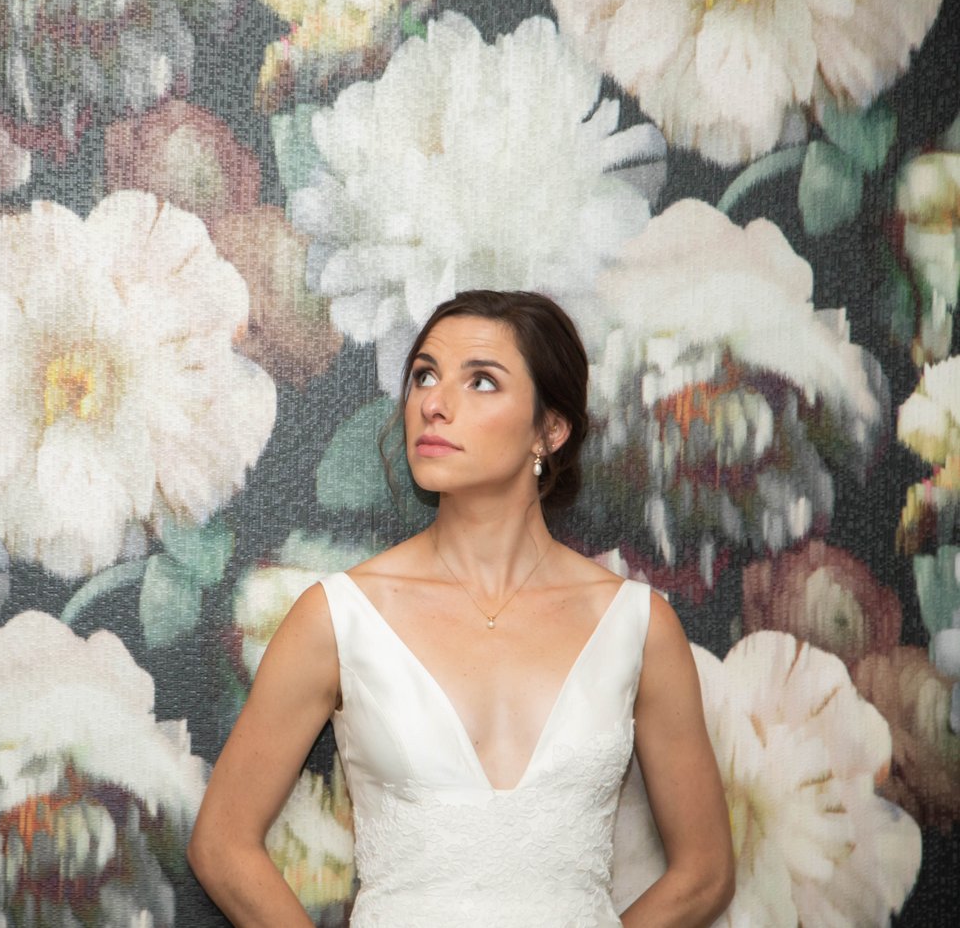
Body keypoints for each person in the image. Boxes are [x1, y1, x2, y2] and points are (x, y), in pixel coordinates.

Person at [188, 290, 734, 926]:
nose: (434, 404)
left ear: (549, 429)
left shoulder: (639, 628)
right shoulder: (337, 618)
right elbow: (222, 845)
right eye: (424, 375)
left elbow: (706, 873)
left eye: (481, 381)